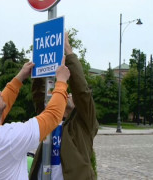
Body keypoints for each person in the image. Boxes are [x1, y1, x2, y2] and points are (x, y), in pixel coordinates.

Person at [0, 59, 70, 180]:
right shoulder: (8, 138)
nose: (1, 93)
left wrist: (20, 77)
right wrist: (62, 82)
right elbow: (53, 115)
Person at [29, 32, 99, 180]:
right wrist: (40, 62)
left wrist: (68, 52)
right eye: (67, 93)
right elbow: (38, 95)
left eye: (71, 94)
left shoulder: (84, 124)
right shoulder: (50, 116)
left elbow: (82, 92)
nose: (68, 94)